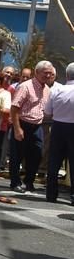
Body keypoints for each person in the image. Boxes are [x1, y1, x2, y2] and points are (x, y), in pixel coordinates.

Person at [9, 60, 54, 193]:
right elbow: (14, 108)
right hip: (22, 123)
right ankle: (15, 182)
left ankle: (29, 181)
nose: (48, 76)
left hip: (37, 126)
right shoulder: (25, 87)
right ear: (37, 72)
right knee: (17, 155)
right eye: (45, 73)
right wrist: (17, 128)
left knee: (37, 155)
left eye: (50, 74)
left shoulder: (47, 89)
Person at [44, 62, 74, 205]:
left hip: (58, 126)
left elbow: (48, 113)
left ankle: (51, 194)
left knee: (54, 162)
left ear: (67, 75)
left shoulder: (57, 90)